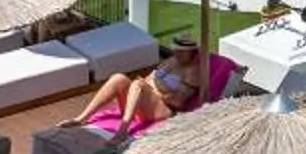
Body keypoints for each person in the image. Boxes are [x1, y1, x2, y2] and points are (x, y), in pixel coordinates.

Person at [81, 35, 210, 132]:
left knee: (137, 85)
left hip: (163, 109)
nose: (178, 53)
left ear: (191, 52)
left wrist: (152, 90)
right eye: (176, 50)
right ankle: (82, 118)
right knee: (118, 78)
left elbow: (177, 101)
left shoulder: (193, 72)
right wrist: (147, 85)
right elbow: (151, 77)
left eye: (182, 51)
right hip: (146, 102)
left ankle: (122, 130)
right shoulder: (171, 61)